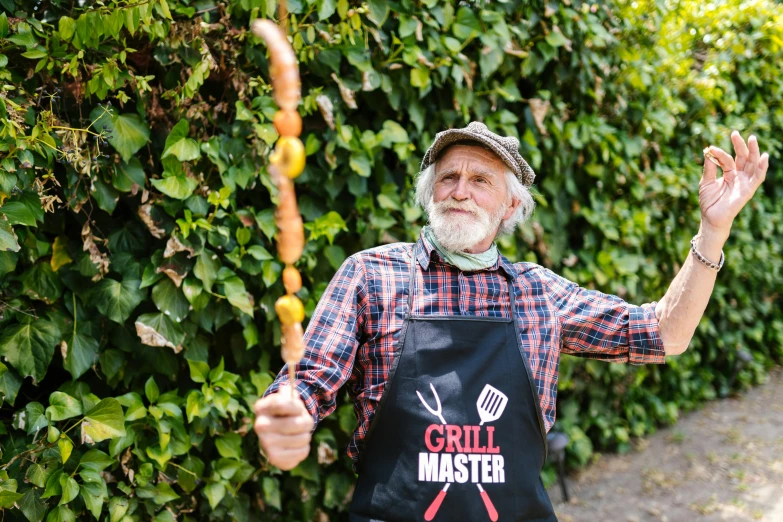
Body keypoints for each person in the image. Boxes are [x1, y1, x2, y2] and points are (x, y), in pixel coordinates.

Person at [253, 122, 769, 521]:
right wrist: (286, 415)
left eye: (480, 180)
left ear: (510, 206)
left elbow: (662, 334)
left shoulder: (538, 292)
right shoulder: (372, 275)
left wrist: (713, 230)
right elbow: (308, 383)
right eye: (448, 177)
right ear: (429, 194)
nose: (460, 190)